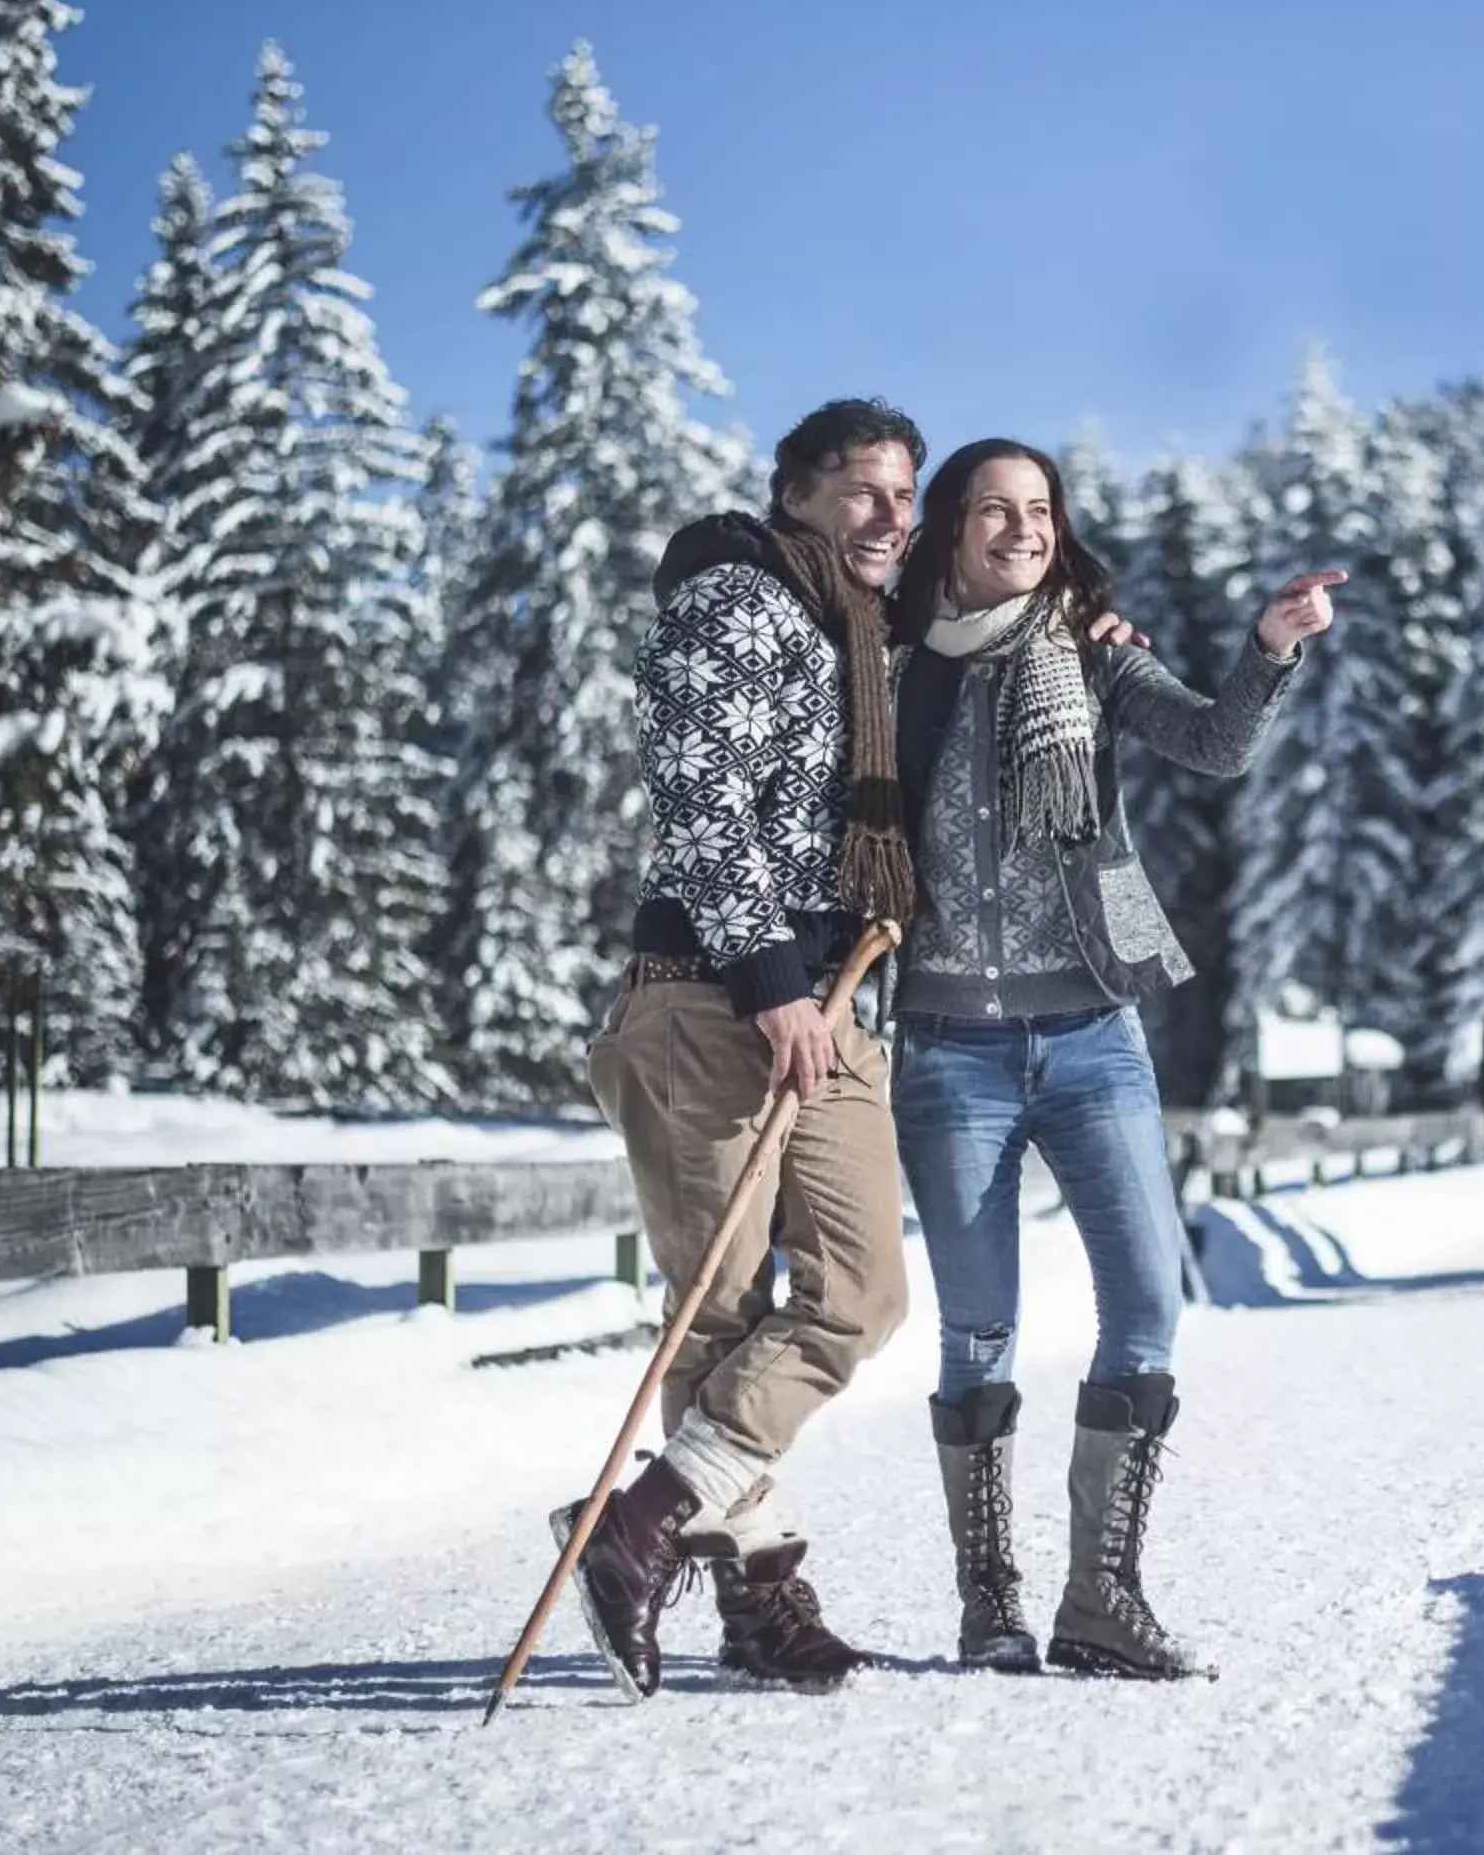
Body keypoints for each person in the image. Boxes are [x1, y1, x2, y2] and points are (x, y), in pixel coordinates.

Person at [888, 438, 1339, 1679]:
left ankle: (1102, 1596)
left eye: (1039, 510)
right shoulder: (890, 660)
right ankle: (991, 1606)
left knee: (1149, 1301)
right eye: (995, 510)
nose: (1022, 530)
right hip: (947, 1047)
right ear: (950, 527)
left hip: (1095, 1029)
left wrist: (1270, 649)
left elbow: (1213, 744)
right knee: (977, 1331)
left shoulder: (1090, 649)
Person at [553, 399, 929, 1702]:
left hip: (826, 991)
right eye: (865, 490)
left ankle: (645, 1516)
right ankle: (760, 1593)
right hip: (713, 993)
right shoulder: (739, 596)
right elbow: (702, 800)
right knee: (716, 1310)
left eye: (905, 495)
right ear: (796, 489)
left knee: (862, 1290)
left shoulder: (859, 631)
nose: (892, 517)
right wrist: (772, 983)